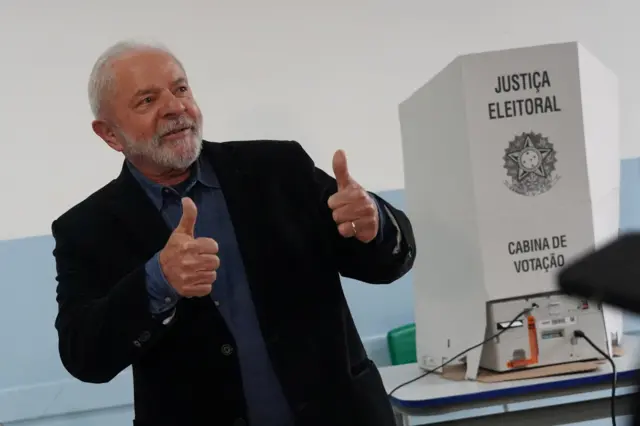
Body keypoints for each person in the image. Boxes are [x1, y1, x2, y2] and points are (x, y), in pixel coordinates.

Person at [51, 40, 416, 426]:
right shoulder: (87, 229)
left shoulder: (277, 168)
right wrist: (157, 281)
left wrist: (373, 222)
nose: (175, 107)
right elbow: (84, 356)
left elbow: (385, 263)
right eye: (146, 100)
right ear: (109, 134)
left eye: (180, 89)